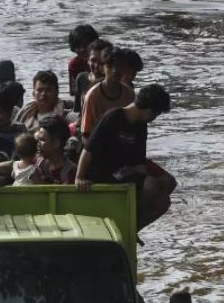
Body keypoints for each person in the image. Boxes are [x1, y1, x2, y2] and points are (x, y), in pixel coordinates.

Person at [75, 84, 177, 231]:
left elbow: (139, 163)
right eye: (155, 115)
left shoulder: (141, 127)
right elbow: (88, 150)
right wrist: (79, 177)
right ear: (149, 111)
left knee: (165, 195)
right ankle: (129, 220)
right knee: (151, 184)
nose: (153, 119)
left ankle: (134, 226)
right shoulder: (113, 117)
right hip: (103, 173)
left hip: (123, 171)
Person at [80, 47, 143, 140]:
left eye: (119, 66)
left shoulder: (129, 94)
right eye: (110, 66)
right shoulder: (92, 96)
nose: (115, 71)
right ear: (102, 69)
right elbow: (86, 133)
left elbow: (133, 125)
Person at [73, 39, 113, 113]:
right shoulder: (81, 78)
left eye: (101, 62)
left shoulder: (112, 82)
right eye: (93, 60)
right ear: (88, 60)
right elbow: (77, 109)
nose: (97, 65)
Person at [34, 116, 77, 184]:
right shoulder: (35, 163)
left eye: (43, 140)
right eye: (38, 139)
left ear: (56, 143)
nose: (38, 143)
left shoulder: (72, 173)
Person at [67, 25, 100, 97]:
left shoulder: (105, 59)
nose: (82, 49)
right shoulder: (75, 64)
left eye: (86, 45)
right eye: (78, 46)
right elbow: (73, 93)